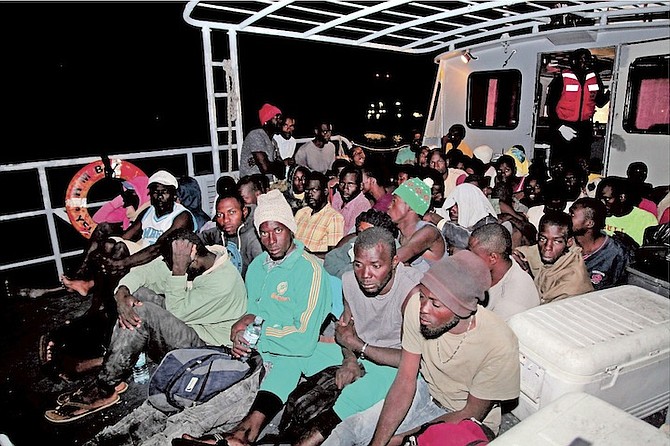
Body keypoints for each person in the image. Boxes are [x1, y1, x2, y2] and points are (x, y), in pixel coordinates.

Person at [177, 189, 333, 446]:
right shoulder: (259, 266)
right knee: (210, 385)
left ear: (291, 229)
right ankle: (227, 436)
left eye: (278, 230)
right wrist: (241, 330)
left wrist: (256, 337)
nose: (271, 239)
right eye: (263, 232)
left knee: (289, 361)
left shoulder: (310, 270)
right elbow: (253, 313)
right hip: (261, 353)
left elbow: (303, 339)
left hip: (293, 356)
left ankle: (238, 436)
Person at [44, 228, 248, 423]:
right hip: (190, 323)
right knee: (136, 297)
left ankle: (104, 388)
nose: (169, 266)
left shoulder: (223, 281)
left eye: (172, 263)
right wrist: (123, 292)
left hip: (208, 347)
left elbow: (178, 312)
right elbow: (144, 273)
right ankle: (115, 365)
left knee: (142, 312)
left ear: (190, 255)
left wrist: (178, 269)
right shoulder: (195, 261)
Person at [327, 250, 519, 445]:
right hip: (426, 392)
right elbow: (405, 381)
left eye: (435, 304)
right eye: (423, 297)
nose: (423, 309)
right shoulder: (417, 308)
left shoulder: (498, 343)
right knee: (348, 432)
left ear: (463, 309)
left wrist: (405, 438)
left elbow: (471, 413)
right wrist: (378, 442)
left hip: (466, 421)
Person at [293, 227, 423, 445]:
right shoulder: (349, 281)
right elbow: (344, 333)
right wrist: (350, 360)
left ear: (394, 262)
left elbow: (411, 359)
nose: (365, 275)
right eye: (358, 265)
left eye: (376, 266)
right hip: (359, 353)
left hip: (394, 366)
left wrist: (359, 347)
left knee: (355, 397)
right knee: (300, 354)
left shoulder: (412, 292)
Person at [546, 48, 610, 164]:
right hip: (563, 126)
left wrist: (611, 92)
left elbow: (600, 102)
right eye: (583, 60)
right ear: (574, 62)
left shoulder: (595, 79)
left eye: (588, 60)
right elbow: (550, 107)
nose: (586, 63)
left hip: (584, 127)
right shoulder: (561, 79)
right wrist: (560, 127)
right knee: (560, 162)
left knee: (582, 161)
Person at [513, 211, 593, 304]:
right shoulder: (552, 251)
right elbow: (525, 252)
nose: (547, 247)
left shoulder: (572, 281)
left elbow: (542, 310)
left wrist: (528, 277)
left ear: (569, 242)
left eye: (557, 241)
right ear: (537, 237)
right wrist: (514, 254)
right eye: (543, 239)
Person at [468, 223, 540, 321]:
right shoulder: (504, 262)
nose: (468, 259)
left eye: (474, 256)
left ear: (493, 258)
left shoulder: (510, 302)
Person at [388, 177, 447, 273]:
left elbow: (402, 254)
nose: (389, 206)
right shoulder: (399, 234)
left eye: (394, 201)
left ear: (410, 207)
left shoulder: (429, 232)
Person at [570, 197, 630, 290]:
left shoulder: (616, 254)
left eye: (572, 215)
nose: (567, 217)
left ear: (589, 223)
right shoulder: (565, 244)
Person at [199, 191, 262, 278]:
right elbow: (196, 239)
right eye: (220, 215)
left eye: (232, 212)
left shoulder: (254, 238)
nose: (225, 220)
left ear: (244, 212)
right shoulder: (218, 232)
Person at [324, 209, 399, 280]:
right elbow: (329, 261)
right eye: (360, 232)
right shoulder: (355, 241)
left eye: (368, 233)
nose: (363, 236)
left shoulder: (388, 248)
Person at [295, 171, 345, 258]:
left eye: (314, 190)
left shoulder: (334, 218)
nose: (310, 194)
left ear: (325, 192)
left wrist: (307, 255)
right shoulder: (301, 213)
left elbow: (333, 255)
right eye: (307, 190)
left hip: (314, 266)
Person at [597, 176, 658, 246]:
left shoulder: (647, 219)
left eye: (607, 199)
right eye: (600, 199)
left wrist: (630, 244)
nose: (602, 203)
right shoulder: (597, 215)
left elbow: (650, 252)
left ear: (622, 197)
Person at [239, 103, 285, 181]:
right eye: (276, 118)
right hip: (251, 185)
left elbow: (281, 172)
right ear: (266, 121)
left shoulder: (273, 142)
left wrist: (276, 165)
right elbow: (265, 167)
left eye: (280, 118)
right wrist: (277, 165)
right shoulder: (256, 135)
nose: (280, 121)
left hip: (266, 185)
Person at [331, 165, 372, 234]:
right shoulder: (338, 196)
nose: (345, 188)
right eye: (342, 183)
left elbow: (349, 234)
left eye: (350, 184)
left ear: (361, 186)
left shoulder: (362, 205)